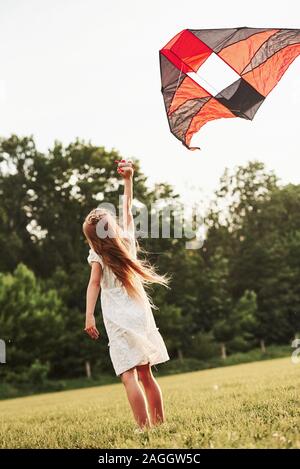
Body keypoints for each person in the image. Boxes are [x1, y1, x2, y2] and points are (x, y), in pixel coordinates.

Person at [82, 159, 170, 431]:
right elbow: (128, 209)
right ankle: (159, 424)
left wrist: (89, 317)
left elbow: (94, 285)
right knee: (145, 373)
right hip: (138, 312)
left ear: (93, 239)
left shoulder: (97, 254)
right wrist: (128, 179)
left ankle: (144, 429)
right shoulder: (127, 242)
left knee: (128, 375)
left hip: (118, 319)